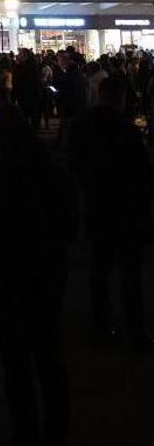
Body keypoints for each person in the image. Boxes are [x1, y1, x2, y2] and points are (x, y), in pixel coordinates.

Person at [0, 105, 79, 446]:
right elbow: (70, 223)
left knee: (16, 360)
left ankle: (26, 428)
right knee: (49, 353)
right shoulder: (51, 171)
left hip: (8, 281)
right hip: (47, 273)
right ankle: (56, 427)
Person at [68, 75, 154, 350]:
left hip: (98, 205)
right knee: (130, 275)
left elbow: (74, 165)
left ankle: (101, 326)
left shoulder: (82, 124)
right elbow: (142, 174)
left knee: (100, 270)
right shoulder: (127, 129)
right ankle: (135, 330)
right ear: (120, 97)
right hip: (128, 210)